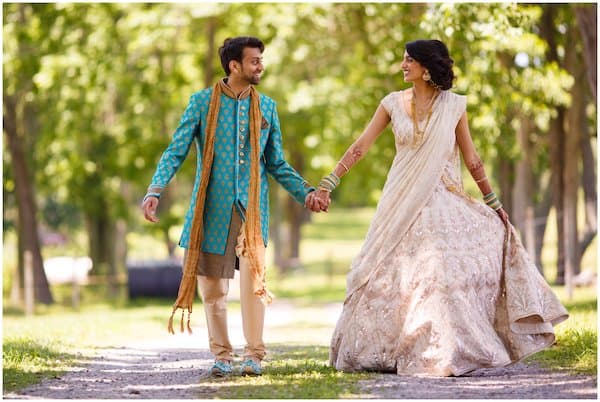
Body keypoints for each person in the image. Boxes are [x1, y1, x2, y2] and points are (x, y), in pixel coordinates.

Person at [314, 39, 569, 376]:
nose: (403, 66)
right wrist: (330, 181)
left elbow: (472, 160)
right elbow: (361, 146)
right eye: (403, 60)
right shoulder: (391, 103)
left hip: (443, 196)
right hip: (400, 200)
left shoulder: (454, 106)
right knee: (388, 271)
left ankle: (444, 349)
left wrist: (494, 203)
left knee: (442, 268)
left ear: (426, 66)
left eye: (408, 61)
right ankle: (386, 349)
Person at [142, 36, 325, 377]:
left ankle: (254, 355)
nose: (261, 66)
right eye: (255, 60)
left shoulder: (267, 107)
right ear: (234, 66)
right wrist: (155, 188)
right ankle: (222, 356)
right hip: (211, 208)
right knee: (212, 287)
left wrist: (306, 193)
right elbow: (176, 150)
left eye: (261, 60)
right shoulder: (201, 103)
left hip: (253, 209)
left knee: (253, 283)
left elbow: (276, 163)